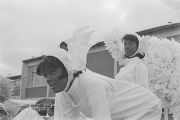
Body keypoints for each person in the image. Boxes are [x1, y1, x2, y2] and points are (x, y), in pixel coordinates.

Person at [36, 49, 161, 120]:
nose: (48, 79)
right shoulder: (63, 93)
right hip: (120, 115)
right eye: (45, 75)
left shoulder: (92, 84)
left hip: (146, 107)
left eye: (52, 72)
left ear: (67, 68)